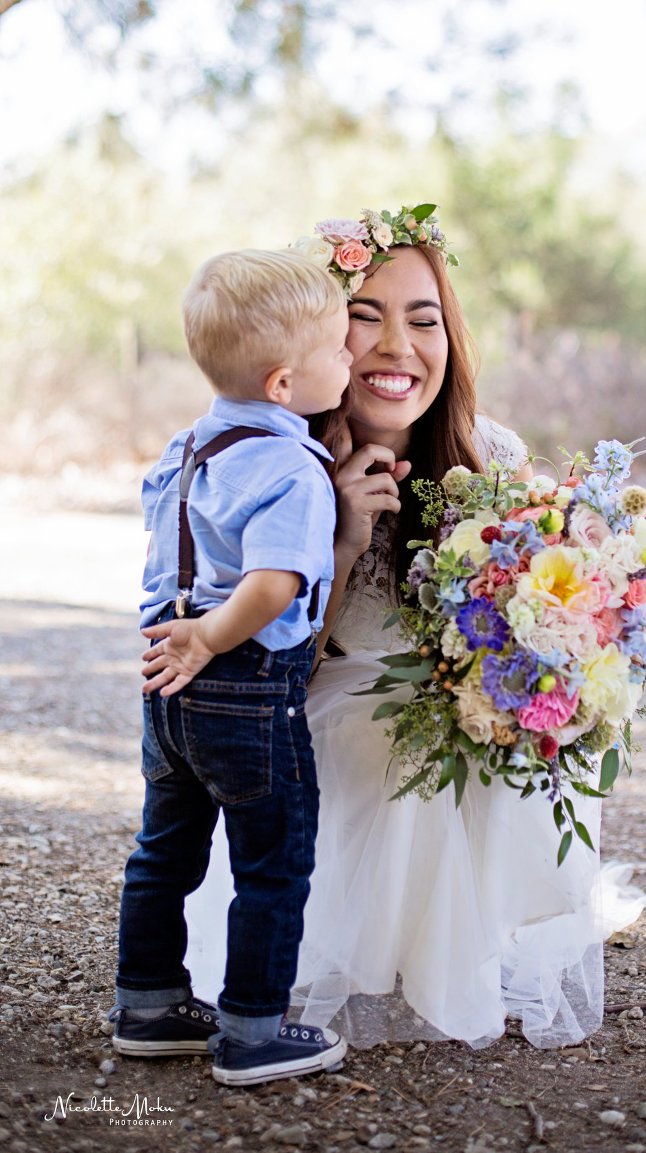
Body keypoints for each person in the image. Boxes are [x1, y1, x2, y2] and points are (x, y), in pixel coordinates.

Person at [184, 208, 646, 1051]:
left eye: (423, 319)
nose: (397, 345)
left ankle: (466, 938)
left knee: (478, 740)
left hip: (457, 703)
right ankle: (351, 946)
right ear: (310, 343)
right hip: (324, 703)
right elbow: (267, 662)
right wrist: (342, 540)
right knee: (376, 733)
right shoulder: (277, 465)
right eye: (362, 318)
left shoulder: (490, 454)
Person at [112, 247, 352, 1087]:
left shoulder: (187, 446)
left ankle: (146, 1004)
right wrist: (215, 635)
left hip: (164, 681)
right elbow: (274, 581)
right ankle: (253, 1028)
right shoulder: (292, 465)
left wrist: (189, 633)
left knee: (163, 852)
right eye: (338, 350)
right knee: (272, 859)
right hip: (242, 683)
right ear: (285, 384)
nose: (351, 359)